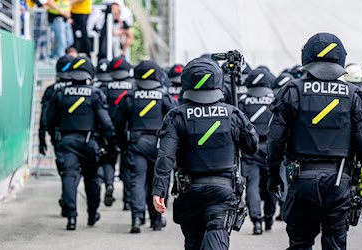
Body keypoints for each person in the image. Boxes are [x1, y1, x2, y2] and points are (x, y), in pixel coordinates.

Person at [267, 33, 362, 249]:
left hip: (301, 180)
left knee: (300, 242)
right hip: (339, 181)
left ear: (306, 57)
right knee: (335, 242)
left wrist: (273, 175)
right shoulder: (354, 94)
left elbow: (275, 140)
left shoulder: (292, 91)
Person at [152, 57, 259, 249]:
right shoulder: (232, 114)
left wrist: (159, 190)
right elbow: (252, 146)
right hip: (224, 191)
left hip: (190, 192)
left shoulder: (177, 116)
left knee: (192, 243)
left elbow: (165, 156)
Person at [47, 56, 117, 230]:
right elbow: (106, 123)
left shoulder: (60, 93)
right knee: (92, 179)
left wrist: (53, 138)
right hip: (89, 142)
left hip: (66, 141)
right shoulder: (95, 94)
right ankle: (92, 215)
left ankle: (71, 218)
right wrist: (111, 141)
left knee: (69, 178)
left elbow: (49, 120)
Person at [114, 60, 175, 233]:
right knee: (158, 181)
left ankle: (136, 218)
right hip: (159, 145)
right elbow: (174, 122)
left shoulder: (129, 96)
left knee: (137, 181)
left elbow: (118, 123)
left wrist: (123, 145)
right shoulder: (164, 96)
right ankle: (156, 219)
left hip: (136, 143)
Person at [238, 67, 276, 235]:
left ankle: (257, 222)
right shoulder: (274, 99)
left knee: (252, 186)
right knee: (271, 185)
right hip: (270, 147)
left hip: (250, 148)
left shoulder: (243, 100)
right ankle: (269, 217)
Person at [99, 56, 134, 209]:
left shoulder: (103, 88)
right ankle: (127, 199)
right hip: (127, 131)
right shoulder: (134, 87)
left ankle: (109, 185)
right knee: (128, 165)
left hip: (107, 130)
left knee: (108, 160)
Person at [39, 54, 74, 157]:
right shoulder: (85, 89)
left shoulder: (51, 90)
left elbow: (44, 118)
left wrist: (42, 139)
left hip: (59, 137)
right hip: (82, 136)